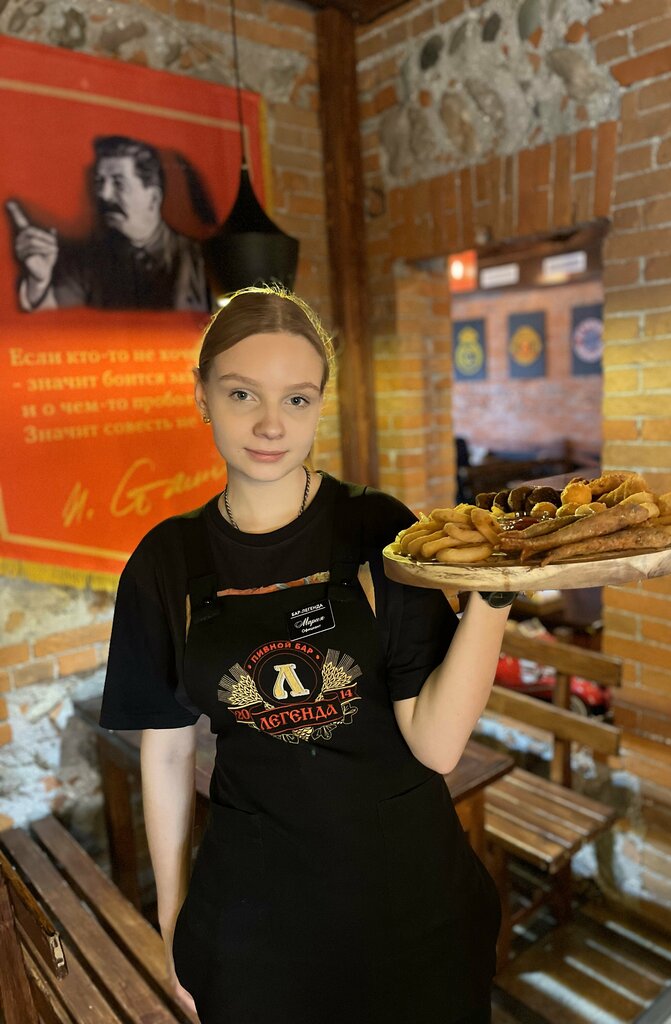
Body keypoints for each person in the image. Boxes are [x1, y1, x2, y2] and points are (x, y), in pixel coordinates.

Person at [100, 286, 516, 1024]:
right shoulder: (165, 562)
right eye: (242, 394)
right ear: (201, 396)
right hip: (257, 920)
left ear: (320, 403)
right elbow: (166, 753)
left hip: (412, 904)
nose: (271, 424)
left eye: (297, 399)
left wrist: (497, 593)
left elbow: (438, 743)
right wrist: (171, 919)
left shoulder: (378, 527)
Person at [7, 135, 207, 312]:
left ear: (153, 198)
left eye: (118, 183)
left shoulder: (200, 260)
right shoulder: (86, 261)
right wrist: (39, 282)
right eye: (99, 182)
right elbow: (56, 323)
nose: (104, 194)